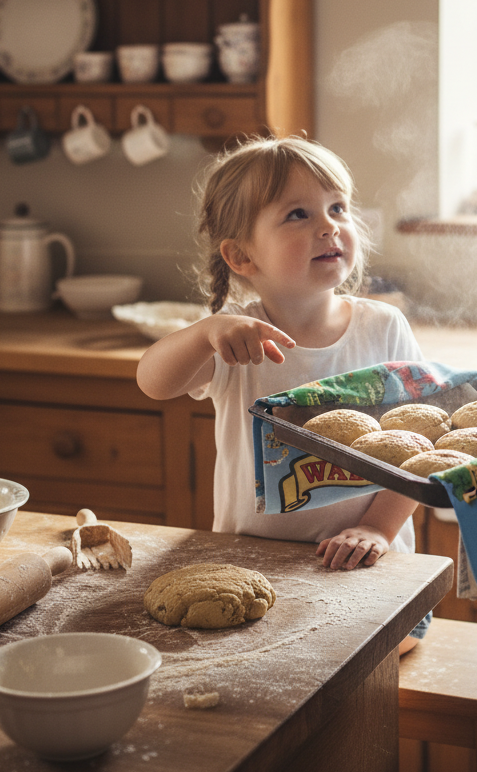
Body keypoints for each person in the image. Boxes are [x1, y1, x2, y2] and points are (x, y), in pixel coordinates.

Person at [136, 134, 429, 651]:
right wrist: (206, 332)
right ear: (241, 255)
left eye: (337, 207)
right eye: (298, 214)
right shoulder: (232, 339)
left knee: (359, 659)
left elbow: (419, 448)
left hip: (367, 568)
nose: (329, 225)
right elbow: (152, 381)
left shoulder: (384, 328)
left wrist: (378, 530)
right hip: (253, 571)